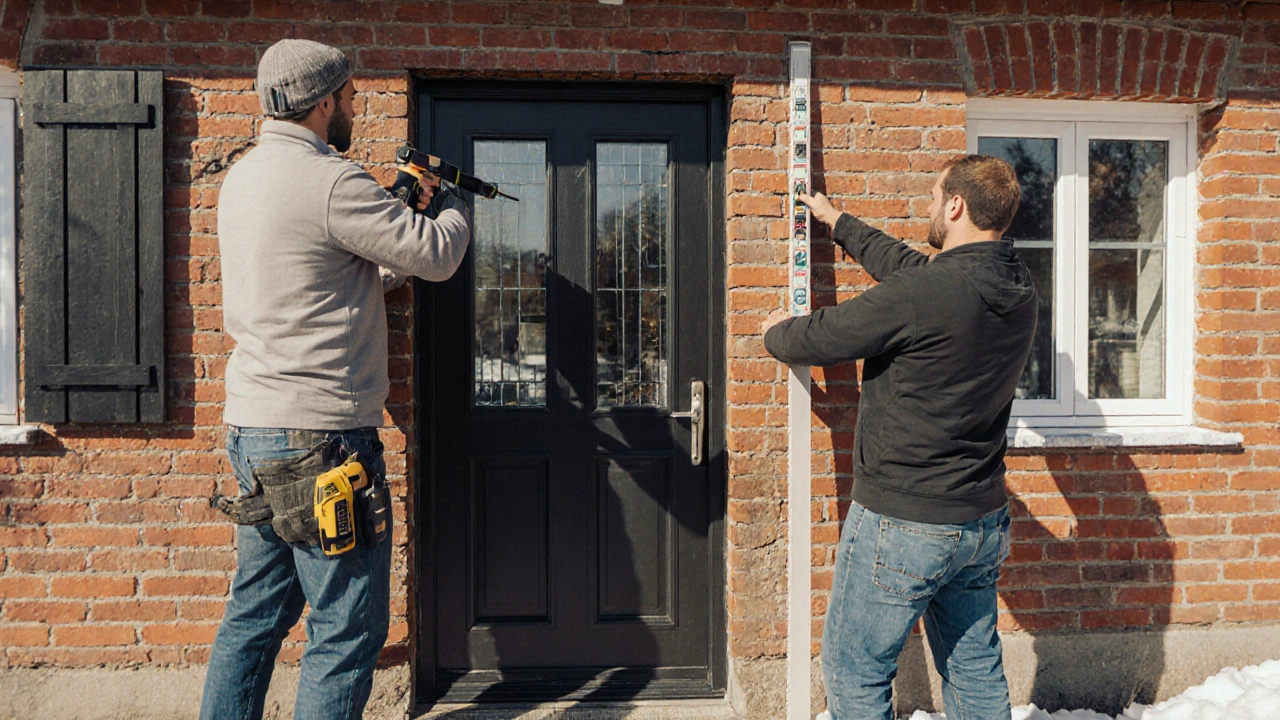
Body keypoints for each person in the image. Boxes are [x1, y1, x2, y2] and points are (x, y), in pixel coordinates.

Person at [200, 39, 470, 720]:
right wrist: (454, 203)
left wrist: (395, 221)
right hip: (322, 445)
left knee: (254, 619)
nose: (356, 105)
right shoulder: (330, 180)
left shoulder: (245, 178)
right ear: (323, 103)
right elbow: (435, 255)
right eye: (350, 96)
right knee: (345, 630)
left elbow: (332, 277)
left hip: (254, 434)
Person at [763, 155, 1037, 720]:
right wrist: (840, 223)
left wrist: (774, 334)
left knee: (856, 669)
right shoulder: (1018, 287)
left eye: (936, 196)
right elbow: (913, 271)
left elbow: (826, 335)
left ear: (957, 205)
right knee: (973, 669)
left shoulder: (926, 297)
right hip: (980, 521)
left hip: (904, 522)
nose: (930, 206)